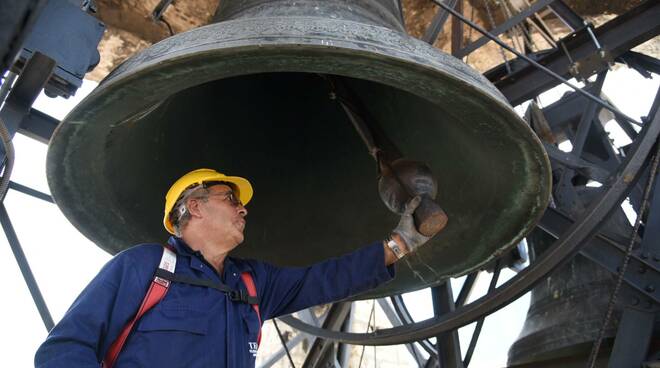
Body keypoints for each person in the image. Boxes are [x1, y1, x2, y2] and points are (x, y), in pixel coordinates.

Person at [35, 168, 434, 367]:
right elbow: (65, 349)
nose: (243, 208)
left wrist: (400, 244)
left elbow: (323, 281)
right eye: (229, 198)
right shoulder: (146, 266)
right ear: (195, 206)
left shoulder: (252, 283)